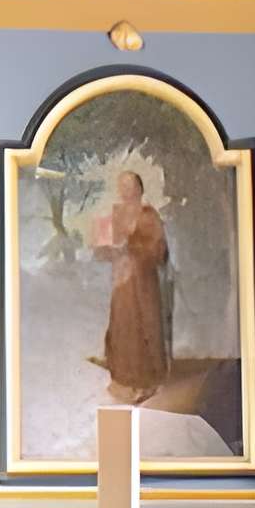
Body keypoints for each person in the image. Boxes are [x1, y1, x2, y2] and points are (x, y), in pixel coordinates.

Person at [90, 165, 170, 404]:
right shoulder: (114, 214)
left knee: (143, 326)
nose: (126, 191)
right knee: (122, 327)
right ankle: (123, 380)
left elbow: (159, 250)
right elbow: (104, 247)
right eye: (122, 186)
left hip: (142, 282)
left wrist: (132, 247)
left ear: (139, 189)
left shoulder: (148, 215)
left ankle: (146, 383)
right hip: (122, 282)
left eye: (130, 186)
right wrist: (104, 248)